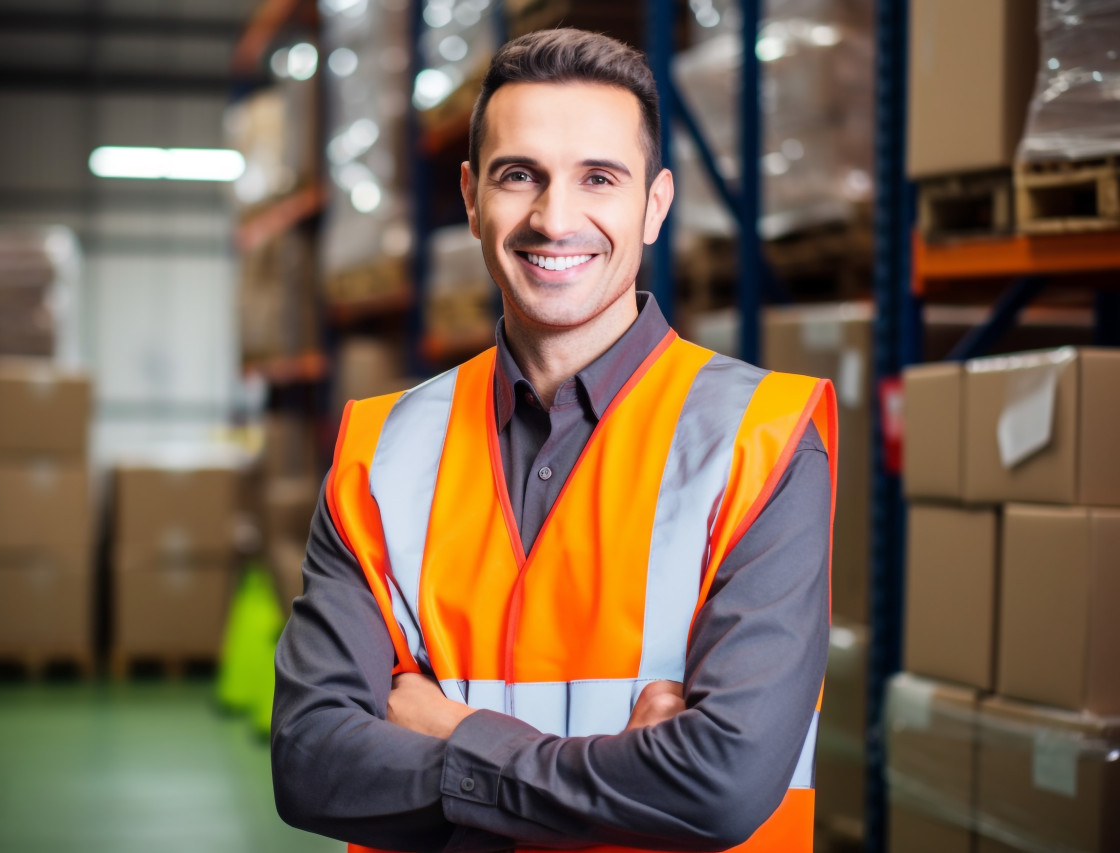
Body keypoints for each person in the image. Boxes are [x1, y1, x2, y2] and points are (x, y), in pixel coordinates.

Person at [272, 27, 837, 853]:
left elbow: (722, 786)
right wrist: (622, 769)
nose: (554, 217)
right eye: (518, 175)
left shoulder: (762, 440)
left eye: (598, 178)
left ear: (655, 205)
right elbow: (312, 764)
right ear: (471, 197)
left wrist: (453, 729)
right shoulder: (380, 451)